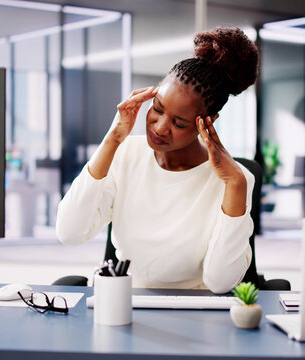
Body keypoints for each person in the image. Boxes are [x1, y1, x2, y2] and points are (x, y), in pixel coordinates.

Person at [56, 27, 259, 293]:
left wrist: (235, 184)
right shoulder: (125, 154)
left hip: (196, 310)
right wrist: (112, 140)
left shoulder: (235, 179)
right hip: (125, 302)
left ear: (208, 122)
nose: (160, 127)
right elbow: (69, 233)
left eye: (179, 122)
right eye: (158, 109)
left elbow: (220, 283)